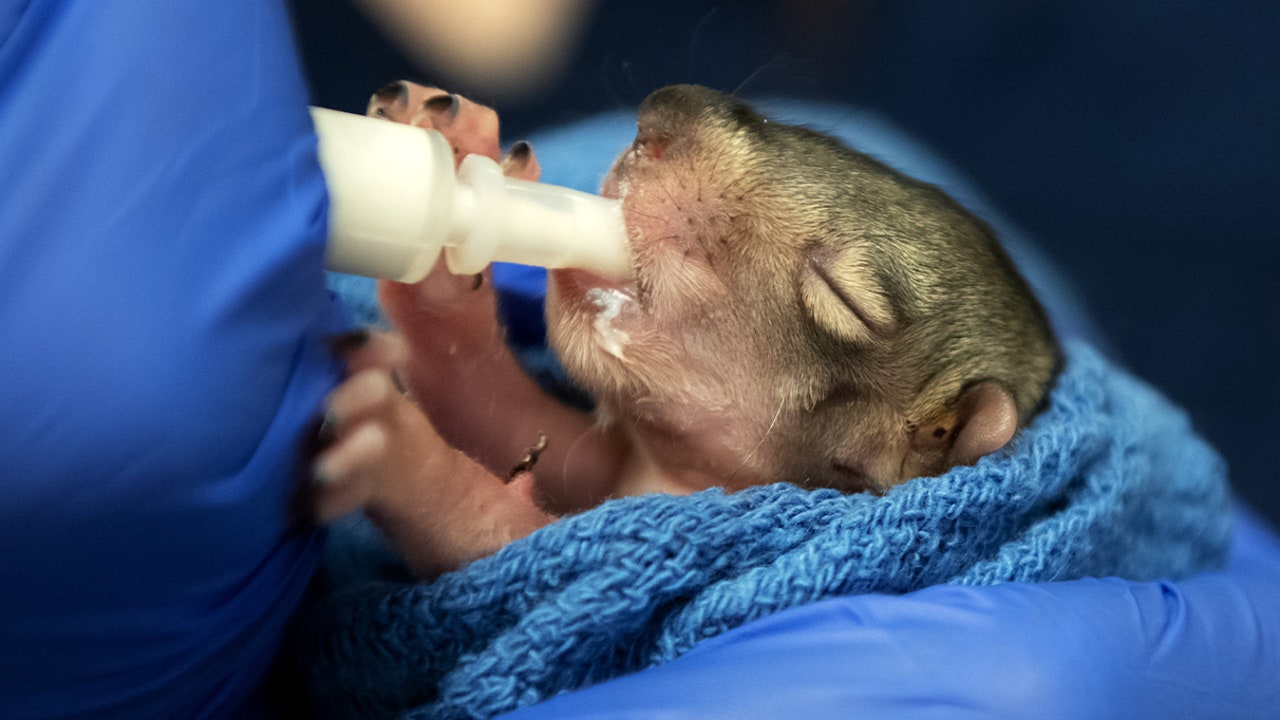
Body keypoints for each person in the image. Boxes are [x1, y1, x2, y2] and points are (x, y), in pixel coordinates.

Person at [0, 3, 1276, 719]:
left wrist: (411, 479)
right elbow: (546, 460)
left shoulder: (772, 559)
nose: (644, 158)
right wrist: (448, 319)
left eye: (830, 287)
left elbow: (537, 561)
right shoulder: (678, 456)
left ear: (920, 445)